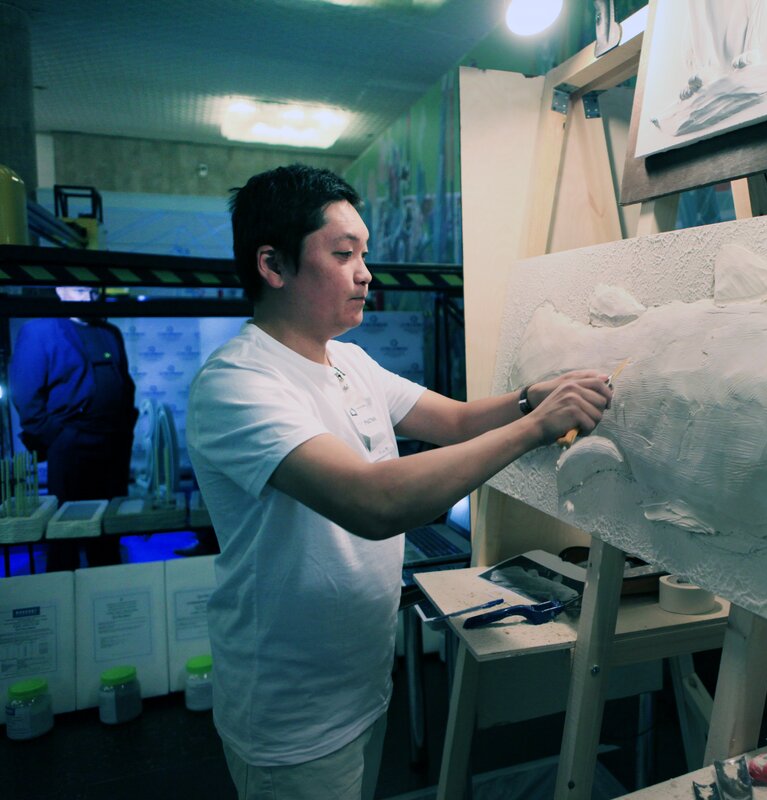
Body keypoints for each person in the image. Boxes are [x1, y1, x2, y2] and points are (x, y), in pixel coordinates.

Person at [186, 164, 611, 800]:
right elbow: (373, 501)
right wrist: (536, 427)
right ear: (272, 266)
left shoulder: (349, 361)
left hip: (360, 681)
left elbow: (457, 421)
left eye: (365, 254)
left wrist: (530, 398)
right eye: (343, 254)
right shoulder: (238, 383)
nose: (365, 273)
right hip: (290, 709)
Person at [8, 286, 138, 571]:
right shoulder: (39, 331)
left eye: (93, 292)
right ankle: (64, 588)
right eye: (80, 291)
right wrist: (59, 438)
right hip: (70, 445)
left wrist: (125, 428)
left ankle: (107, 586)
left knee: (108, 532)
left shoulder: (110, 332)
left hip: (112, 444)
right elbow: (25, 397)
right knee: (66, 532)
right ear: (61, 290)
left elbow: (124, 383)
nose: (89, 299)